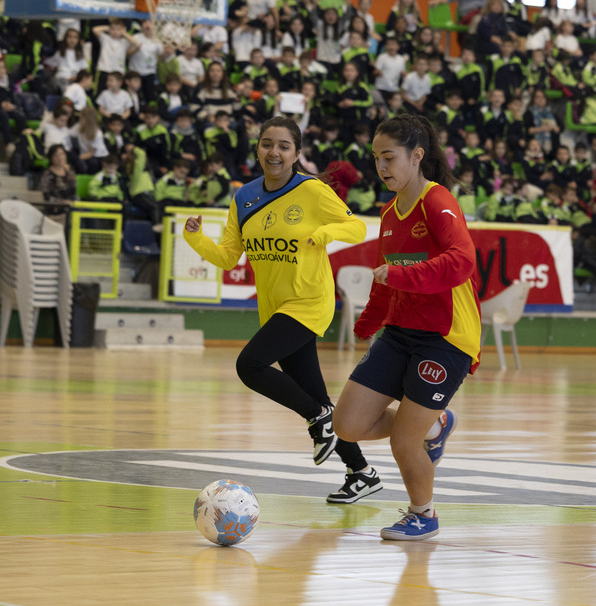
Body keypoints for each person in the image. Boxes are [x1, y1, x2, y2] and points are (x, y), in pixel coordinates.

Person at [183, 117, 385, 504]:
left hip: (309, 301)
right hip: (275, 307)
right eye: (266, 144)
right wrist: (195, 238)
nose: (273, 152)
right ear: (257, 149)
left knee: (250, 366)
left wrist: (325, 233)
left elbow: (356, 228)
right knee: (313, 393)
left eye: (283, 146)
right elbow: (229, 257)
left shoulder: (311, 189)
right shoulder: (244, 197)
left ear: (296, 153)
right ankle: (361, 472)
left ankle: (318, 419)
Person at [333, 115, 481, 541]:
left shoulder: (438, 202)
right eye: (376, 158)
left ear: (417, 156)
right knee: (348, 425)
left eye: (390, 157)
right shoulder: (388, 212)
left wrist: (399, 278)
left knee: (403, 442)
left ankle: (424, 514)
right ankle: (435, 425)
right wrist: (369, 322)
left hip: (446, 337)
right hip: (400, 330)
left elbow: (461, 262)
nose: (382, 166)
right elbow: (386, 273)